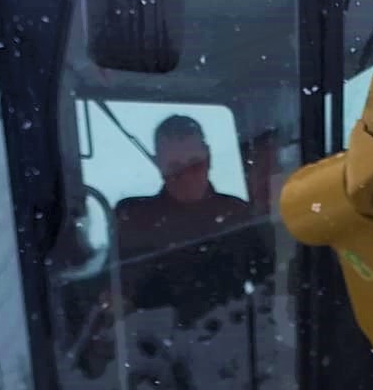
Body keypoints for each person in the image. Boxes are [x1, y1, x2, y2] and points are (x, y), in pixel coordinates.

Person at [113, 115, 270, 316]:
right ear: (159, 165)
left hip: (233, 337)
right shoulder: (134, 221)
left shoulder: (238, 216)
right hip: (151, 339)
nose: (187, 178)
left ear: (209, 158)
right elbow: (118, 295)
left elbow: (268, 287)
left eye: (195, 165)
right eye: (175, 169)